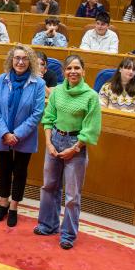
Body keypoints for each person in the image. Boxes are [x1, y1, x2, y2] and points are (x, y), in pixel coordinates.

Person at [34, 55, 102, 250]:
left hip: (76, 145)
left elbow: (91, 128)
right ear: (64, 71)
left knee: (72, 195)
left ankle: (68, 235)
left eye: (77, 68)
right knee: (49, 186)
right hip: (54, 139)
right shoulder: (57, 92)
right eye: (69, 68)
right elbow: (48, 118)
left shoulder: (91, 96)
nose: (73, 71)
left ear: (83, 71)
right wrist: (48, 143)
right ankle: (48, 225)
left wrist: (75, 148)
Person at [0, 44, 45, 226]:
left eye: (24, 58)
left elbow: (37, 113)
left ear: (29, 61)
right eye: (17, 58)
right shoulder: (1, 80)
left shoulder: (38, 83)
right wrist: (5, 133)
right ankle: (3, 203)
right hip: (2, 134)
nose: (20, 62)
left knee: (20, 172)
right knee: (4, 169)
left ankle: (14, 206)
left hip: (25, 136)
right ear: (11, 60)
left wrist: (17, 134)